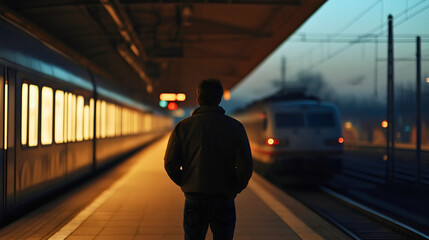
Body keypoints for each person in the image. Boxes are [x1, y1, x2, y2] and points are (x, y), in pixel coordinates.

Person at [164, 79, 253, 240]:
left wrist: (186, 181)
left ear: (198, 99)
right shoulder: (235, 127)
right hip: (224, 198)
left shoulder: (183, 127)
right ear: (219, 99)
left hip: (195, 198)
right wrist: (234, 187)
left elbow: (170, 163)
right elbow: (245, 166)